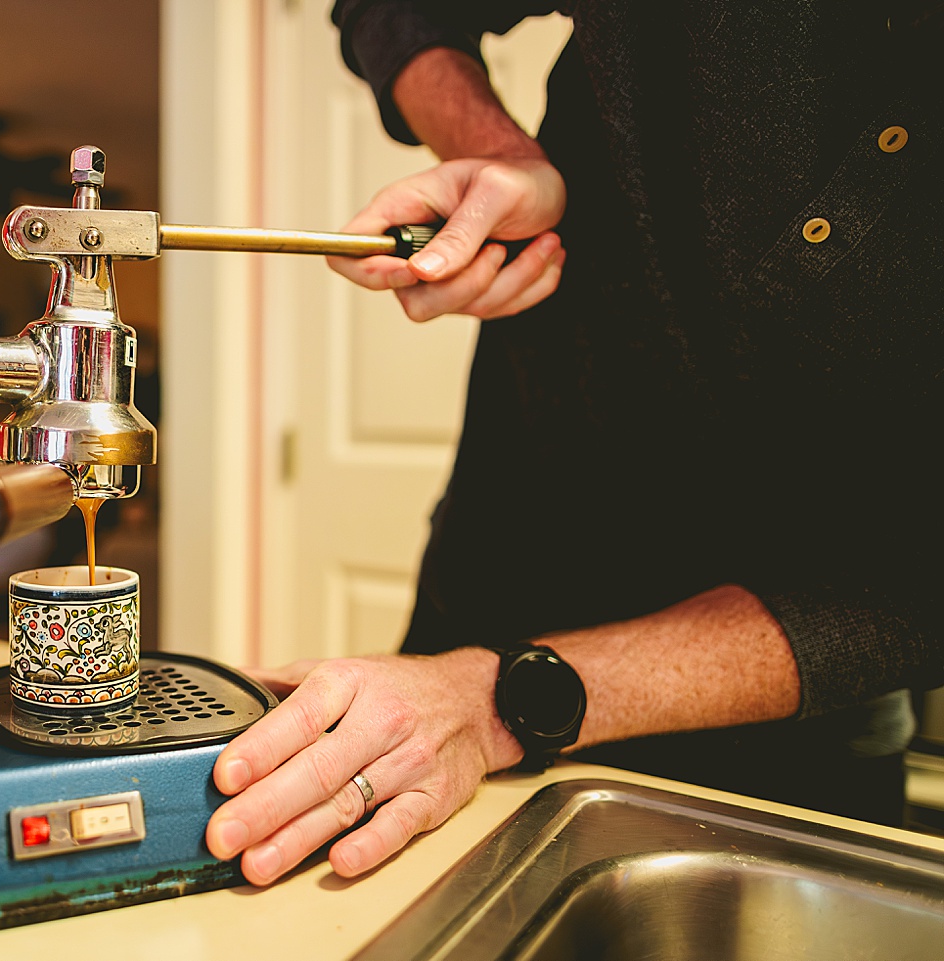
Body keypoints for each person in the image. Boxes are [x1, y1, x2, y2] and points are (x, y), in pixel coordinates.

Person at [204, 1, 944, 887]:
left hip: (793, 732)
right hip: (479, 613)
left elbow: (919, 580)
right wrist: (503, 156)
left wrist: (502, 698)